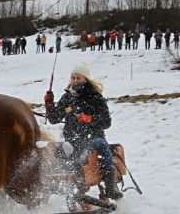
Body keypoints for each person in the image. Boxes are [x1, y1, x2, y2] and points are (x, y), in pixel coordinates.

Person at [44, 62, 123, 199]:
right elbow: (54, 118)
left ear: (86, 79)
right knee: (57, 149)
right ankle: (63, 183)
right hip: (72, 140)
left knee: (101, 145)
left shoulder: (95, 97)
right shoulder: (68, 98)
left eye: (78, 77)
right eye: (73, 78)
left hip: (93, 138)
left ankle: (110, 186)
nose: (75, 80)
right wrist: (49, 103)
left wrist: (89, 119)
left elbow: (106, 122)